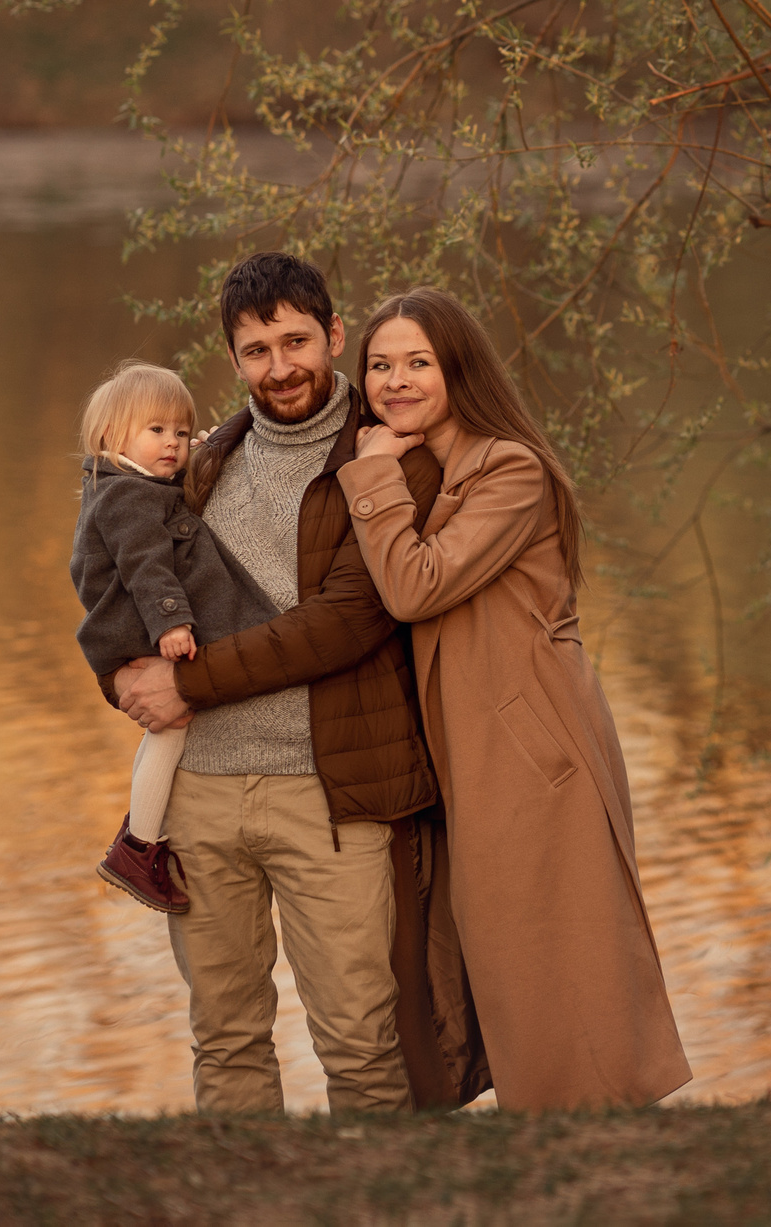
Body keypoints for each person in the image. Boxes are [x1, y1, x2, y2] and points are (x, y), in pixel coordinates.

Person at [107, 253, 486, 1117]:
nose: (279, 367)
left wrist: (186, 686)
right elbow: (122, 581)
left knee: (361, 1037)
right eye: (255, 350)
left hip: (330, 796)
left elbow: (350, 620)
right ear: (232, 358)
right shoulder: (197, 466)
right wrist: (123, 677)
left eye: (296, 341)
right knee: (226, 1034)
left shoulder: (393, 458)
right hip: (199, 795)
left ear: (335, 335)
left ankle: (383, 1207)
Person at [335, 285, 692, 1111]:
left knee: (560, 947)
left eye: (418, 362)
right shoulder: (430, 467)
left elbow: (414, 585)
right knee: (506, 954)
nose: (396, 380)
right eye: (380, 365)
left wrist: (370, 471)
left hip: (537, 751)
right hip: (474, 753)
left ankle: (593, 1123)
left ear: (459, 366)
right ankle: (556, 1121)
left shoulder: (510, 469)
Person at [67, 359, 278, 915]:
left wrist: (205, 449)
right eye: (157, 431)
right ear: (114, 436)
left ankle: (137, 834)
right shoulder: (130, 499)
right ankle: (139, 846)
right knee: (171, 725)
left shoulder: (122, 483)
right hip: (139, 625)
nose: (174, 444)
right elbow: (146, 565)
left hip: (128, 624)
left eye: (182, 433)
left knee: (164, 731)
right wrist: (171, 623)